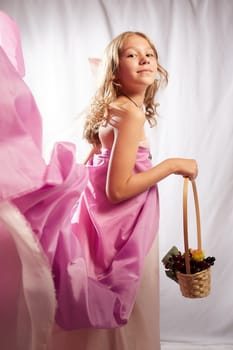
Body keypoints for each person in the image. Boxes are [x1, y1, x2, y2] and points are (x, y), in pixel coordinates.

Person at [0, 13, 197, 350]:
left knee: (97, 277)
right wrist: (172, 165)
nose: (144, 59)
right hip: (123, 222)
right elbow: (117, 189)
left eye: (149, 53)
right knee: (130, 289)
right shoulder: (130, 113)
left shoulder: (114, 107)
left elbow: (94, 159)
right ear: (115, 68)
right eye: (131, 54)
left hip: (99, 218)